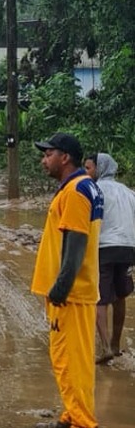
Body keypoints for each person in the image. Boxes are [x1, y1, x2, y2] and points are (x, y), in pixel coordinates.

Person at [31, 132, 103, 428]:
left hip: (71, 294)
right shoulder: (82, 187)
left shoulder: (76, 191)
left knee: (69, 362)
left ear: (65, 157)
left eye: (48, 154)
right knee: (70, 360)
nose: (44, 159)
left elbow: (75, 244)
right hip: (75, 291)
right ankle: (72, 415)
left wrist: (60, 287)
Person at [84, 152, 135, 364]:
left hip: (105, 248)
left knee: (100, 298)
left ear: (99, 168)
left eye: (88, 168)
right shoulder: (128, 192)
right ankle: (115, 343)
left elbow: (90, 221)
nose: (87, 173)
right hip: (128, 249)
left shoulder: (95, 190)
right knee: (120, 295)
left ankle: (105, 347)